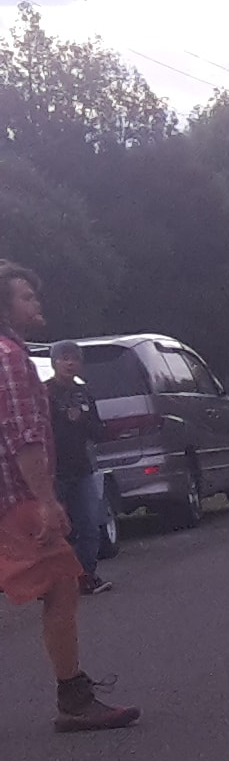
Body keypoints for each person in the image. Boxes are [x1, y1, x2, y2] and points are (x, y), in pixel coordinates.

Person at [0, 264, 137, 731]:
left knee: (59, 583)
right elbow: (23, 437)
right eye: (26, 297)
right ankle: (74, 700)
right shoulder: (10, 359)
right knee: (61, 582)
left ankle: (74, 696)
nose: (35, 304)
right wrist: (46, 499)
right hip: (16, 501)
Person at [44, 341, 111, 594]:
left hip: (82, 468)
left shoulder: (84, 393)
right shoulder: (45, 392)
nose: (69, 363)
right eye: (64, 359)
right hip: (54, 471)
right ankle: (51, 582)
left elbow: (98, 431)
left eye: (74, 359)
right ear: (55, 362)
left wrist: (81, 419)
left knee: (90, 525)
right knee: (53, 529)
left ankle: (85, 575)